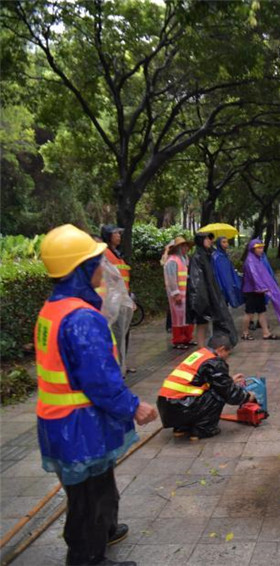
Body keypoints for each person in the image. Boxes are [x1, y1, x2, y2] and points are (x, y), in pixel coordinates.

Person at [36, 224, 158, 566]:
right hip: (77, 425)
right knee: (86, 497)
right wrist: (133, 406)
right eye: (94, 261)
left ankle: (106, 530)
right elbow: (100, 380)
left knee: (100, 483)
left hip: (63, 422)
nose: (101, 267)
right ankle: (87, 558)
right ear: (79, 269)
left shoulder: (54, 308)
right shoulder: (80, 318)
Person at [157, 333, 256, 440]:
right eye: (228, 352)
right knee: (218, 394)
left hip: (167, 407)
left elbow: (197, 381)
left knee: (211, 390)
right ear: (221, 349)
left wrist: (229, 380)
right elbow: (228, 393)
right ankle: (203, 429)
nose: (227, 356)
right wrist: (247, 396)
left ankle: (181, 428)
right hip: (182, 407)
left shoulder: (200, 354)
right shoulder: (214, 362)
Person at [186, 232, 238, 348]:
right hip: (203, 294)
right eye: (207, 239)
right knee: (202, 322)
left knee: (209, 321)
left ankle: (209, 346)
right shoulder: (198, 257)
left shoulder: (208, 255)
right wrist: (200, 299)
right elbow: (196, 280)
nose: (210, 241)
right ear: (201, 241)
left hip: (210, 292)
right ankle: (201, 348)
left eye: (211, 239)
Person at [99, 225, 135, 374]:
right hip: (114, 301)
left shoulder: (117, 254)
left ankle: (123, 364)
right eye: (116, 234)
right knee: (117, 334)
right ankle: (119, 366)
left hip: (123, 298)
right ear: (108, 236)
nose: (119, 236)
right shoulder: (106, 254)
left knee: (123, 334)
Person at [241, 239, 280, 340]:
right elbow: (254, 276)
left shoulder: (257, 260)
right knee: (249, 313)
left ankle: (266, 333)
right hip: (251, 291)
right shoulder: (250, 261)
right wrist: (261, 287)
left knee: (262, 311)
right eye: (258, 248)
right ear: (252, 249)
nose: (261, 250)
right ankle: (245, 333)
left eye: (262, 247)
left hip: (259, 290)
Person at [163, 236, 195, 350]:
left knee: (186, 317)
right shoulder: (172, 261)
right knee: (178, 318)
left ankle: (187, 338)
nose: (186, 248)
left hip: (185, 293)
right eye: (184, 246)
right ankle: (178, 340)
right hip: (178, 294)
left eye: (186, 246)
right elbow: (171, 279)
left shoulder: (184, 259)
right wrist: (175, 293)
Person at [211, 236, 244, 309]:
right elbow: (217, 273)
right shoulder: (216, 257)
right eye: (223, 242)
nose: (226, 244)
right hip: (221, 287)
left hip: (228, 284)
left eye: (227, 242)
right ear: (219, 244)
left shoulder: (225, 256)